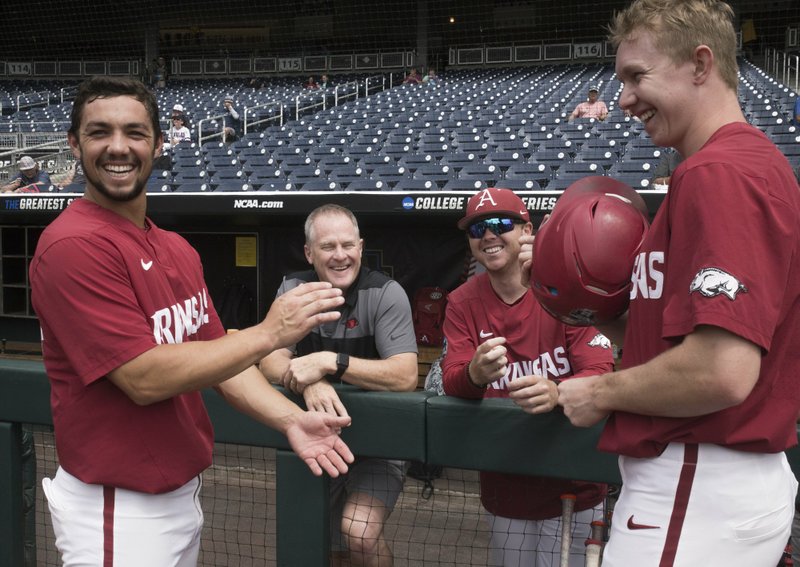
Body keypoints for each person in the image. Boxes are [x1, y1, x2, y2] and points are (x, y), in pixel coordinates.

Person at [29, 76, 354, 566]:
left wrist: (290, 419)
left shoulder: (175, 248)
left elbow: (222, 358)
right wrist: (269, 333)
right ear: (75, 144)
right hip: (117, 506)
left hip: (181, 496)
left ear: (159, 144)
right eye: (100, 132)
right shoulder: (73, 246)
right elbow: (142, 377)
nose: (119, 147)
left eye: (135, 133)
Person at [545, 1, 800, 565]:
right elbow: (679, 340)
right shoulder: (739, 165)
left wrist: (599, 392)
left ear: (700, 64)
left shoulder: (718, 173)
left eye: (638, 76)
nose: (625, 98)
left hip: (697, 476)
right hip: (712, 480)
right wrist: (603, 313)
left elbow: (722, 371)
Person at [442, 187, 615, 567]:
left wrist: (557, 391)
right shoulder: (461, 302)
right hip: (507, 482)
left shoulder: (564, 286)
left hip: (573, 479)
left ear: (527, 230)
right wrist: (474, 373)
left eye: (501, 223)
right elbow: (452, 378)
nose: (488, 235)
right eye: (477, 228)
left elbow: (600, 369)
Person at [259, 204, 419, 567]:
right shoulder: (294, 288)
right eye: (328, 246)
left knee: (359, 534)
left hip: (379, 442)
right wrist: (309, 382)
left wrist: (333, 362)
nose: (340, 255)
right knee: (326, 549)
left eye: (348, 245)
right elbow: (269, 359)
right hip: (317, 438)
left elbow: (406, 375)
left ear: (361, 247)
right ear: (309, 252)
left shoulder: (385, 292)